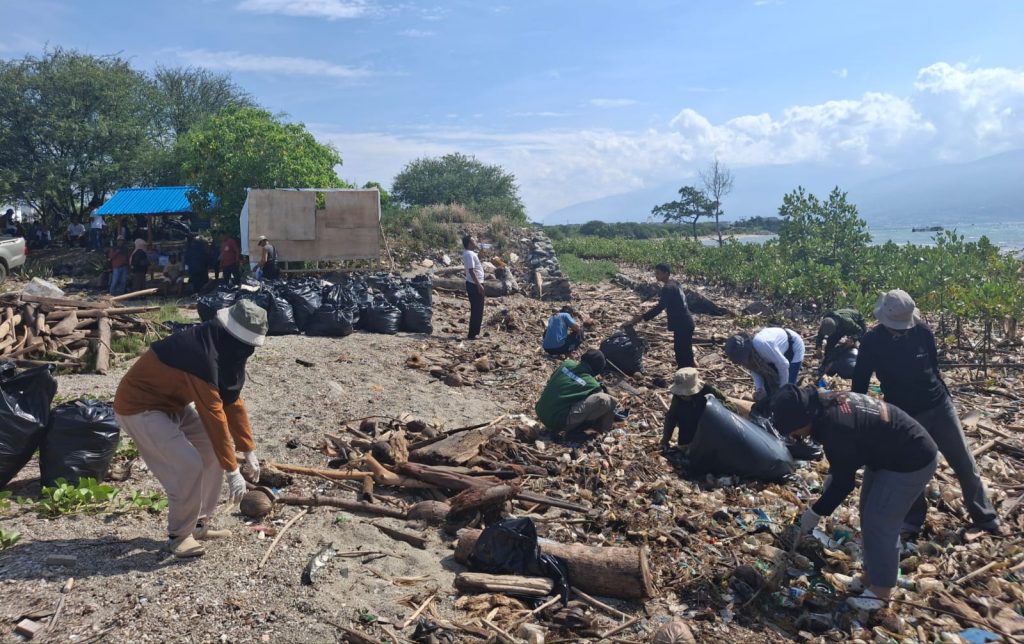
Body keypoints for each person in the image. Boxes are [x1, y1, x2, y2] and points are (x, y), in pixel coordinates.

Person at [113, 300, 267, 558]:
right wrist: (233, 470)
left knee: (210, 450)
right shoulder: (200, 354)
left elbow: (232, 400)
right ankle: (179, 536)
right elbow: (213, 413)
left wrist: (248, 450)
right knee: (188, 465)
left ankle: (198, 524)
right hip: (140, 407)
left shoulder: (223, 348)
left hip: (171, 403)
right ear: (233, 336)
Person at [771, 385, 938, 612]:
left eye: (794, 430)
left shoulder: (836, 426)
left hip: (911, 459)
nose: (794, 436)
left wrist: (815, 513)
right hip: (885, 454)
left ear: (806, 417)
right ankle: (870, 576)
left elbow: (844, 484)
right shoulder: (825, 406)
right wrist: (835, 474)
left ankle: (881, 591)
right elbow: (845, 464)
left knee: (881, 522)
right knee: (868, 513)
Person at [852, 289, 1000, 534]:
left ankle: (984, 516)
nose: (899, 330)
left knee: (964, 462)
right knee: (911, 466)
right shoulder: (872, 340)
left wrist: (947, 401)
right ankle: (913, 519)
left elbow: (933, 367)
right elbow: (860, 380)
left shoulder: (921, 331)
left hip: (939, 406)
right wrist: (859, 415)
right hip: (904, 414)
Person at [626, 263, 695, 368]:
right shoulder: (675, 283)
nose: (656, 275)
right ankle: (690, 371)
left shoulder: (668, 288)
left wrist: (641, 318)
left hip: (682, 323)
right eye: (655, 273)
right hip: (686, 321)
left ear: (666, 273)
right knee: (685, 350)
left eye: (658, 273)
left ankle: (686, 374)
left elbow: (660, 307)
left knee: (681, 351)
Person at [535, 349, 618, 436]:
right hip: (557, 422)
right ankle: (603, 431)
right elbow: (599, 401)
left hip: (540, 410)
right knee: (606, 400)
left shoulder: (567, 364)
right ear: (597, 369)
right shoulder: (592, 384)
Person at [660, 367, 732, 452]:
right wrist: (665, 441)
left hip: (709, 436)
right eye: (681, 394)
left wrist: (715, 405)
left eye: (685, 394)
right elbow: (671, 418)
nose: (682, 396)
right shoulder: (678, 397)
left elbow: (732, 408)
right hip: (687, 436)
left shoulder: (708, 390)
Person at [725, 327, 805, 402]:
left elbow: (783, 364)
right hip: (776, 356)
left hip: (793, 346)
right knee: (768, 392)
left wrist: (782, 390)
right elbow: (755, 370)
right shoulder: (747, 357)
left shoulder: (761, 345)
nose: (745, 362)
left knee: (788, 391)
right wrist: (760, 389)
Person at [816, 308, 867, 378]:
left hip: (857, 323)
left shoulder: (848, 322)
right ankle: (824, 365)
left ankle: (867, 363)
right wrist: (818, 348)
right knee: (829, 344)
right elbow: (820, 336)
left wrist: (853, 339)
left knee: (865, 342)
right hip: (839, 327)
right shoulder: (826, 323)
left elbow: (859, 331)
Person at [462, 234, 485, 340]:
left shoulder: (470, 253)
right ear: (469, 243)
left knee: (478, 309)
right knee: (477, 309)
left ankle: (474, 333)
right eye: (473, 241)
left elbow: (475, 265)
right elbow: (471, 271)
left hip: (474, 283)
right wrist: (479, 285)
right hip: (474, 284)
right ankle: (473, 334)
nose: (475, 242)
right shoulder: (469, 254)